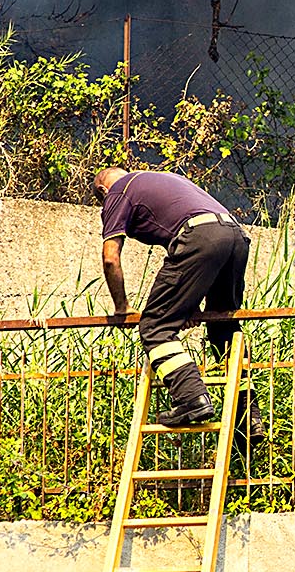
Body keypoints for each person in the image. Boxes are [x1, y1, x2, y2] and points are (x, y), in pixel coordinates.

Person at [95, 166, 250, 425]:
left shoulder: (118, 191)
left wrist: (122, 307)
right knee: (222, 326)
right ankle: (248, 417)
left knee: (155, 327)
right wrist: (186, 305)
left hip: (201, 238)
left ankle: (192, 398)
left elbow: (110, 258)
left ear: (103, 190)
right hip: (235, 236)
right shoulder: (166, 179)